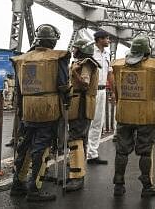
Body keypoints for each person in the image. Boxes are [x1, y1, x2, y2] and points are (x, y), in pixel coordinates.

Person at [9, 24, 70, 202]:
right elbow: (63, 84)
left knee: (25, 147)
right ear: (53, 40)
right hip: (48, 109)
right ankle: (34, 189)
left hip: (28, 108)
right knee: (41, 149)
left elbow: (19, 89)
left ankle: (17, 184)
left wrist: (20, 108)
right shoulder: (58, 57)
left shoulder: (21, 59)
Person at [111, 36, 155, 198]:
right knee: (145, 151)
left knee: (121, 151)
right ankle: (146, 186)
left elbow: (116, 89)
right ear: (147, 51)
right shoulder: (152, 68)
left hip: (124, 113)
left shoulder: (118, 66)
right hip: (146, 115)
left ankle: (119, 184)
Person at [66, 39, 100, 192]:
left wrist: (73, 72)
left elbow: (85, 83)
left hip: (81, 104)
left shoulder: (86, 63)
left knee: (76, 139)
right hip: (81, 103)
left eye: (76, 48)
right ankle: (78, 170)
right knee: (81, 138)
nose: (73, 50)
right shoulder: (84, 62)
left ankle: (77, 176)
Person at [87, 30, 113, 165]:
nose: (109, 41)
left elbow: (110, 74)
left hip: (102, 90)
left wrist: (113, 91)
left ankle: (92, 153)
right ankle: (81, 153)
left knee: (98, 122)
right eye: (107, 38)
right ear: (99, 39)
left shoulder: (107, 54)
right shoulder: (90, 52)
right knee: (88, 122)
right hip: (91, 91)